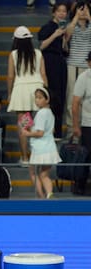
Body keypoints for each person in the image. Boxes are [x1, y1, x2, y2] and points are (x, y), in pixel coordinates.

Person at [7, 26, 47, 164]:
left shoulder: (13, 54)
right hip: (38, 90)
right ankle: (39, 157)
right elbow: (43, 75)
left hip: (21, 91)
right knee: (40, 125)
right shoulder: (38, 53)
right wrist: (46, 94)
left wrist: (10, 93)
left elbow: (11, 77)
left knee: (24, 126)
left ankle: (25, 158)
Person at [23, 86, 61, 199]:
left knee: (33, 173)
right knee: (44, 174)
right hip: (50, 148)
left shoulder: (41, 113)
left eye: (40, 98)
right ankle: (49, 194)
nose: (37, 100)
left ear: (47, 99)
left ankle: (41, 197)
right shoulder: (50, 113)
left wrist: (27, 134)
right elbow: (51, 130)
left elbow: (40, 133)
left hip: (40, 148)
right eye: (36, 98)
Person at [62, 2, 89, 131]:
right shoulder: (71, 25)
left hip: (88, 66)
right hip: (73, 65)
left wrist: (89, 17)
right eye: (81, 9)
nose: (83, 11)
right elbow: (66, 37)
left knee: (86, 99)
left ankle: (84, 127)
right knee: (71, 98)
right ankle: (71, 127)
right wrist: (76, 18)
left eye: (86, 9)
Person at [71, 50, 91, 194]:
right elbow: (75, 103)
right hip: (88, 124)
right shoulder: (83, 78)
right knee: (86, 155)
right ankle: (81, 185)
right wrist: (76, 126)